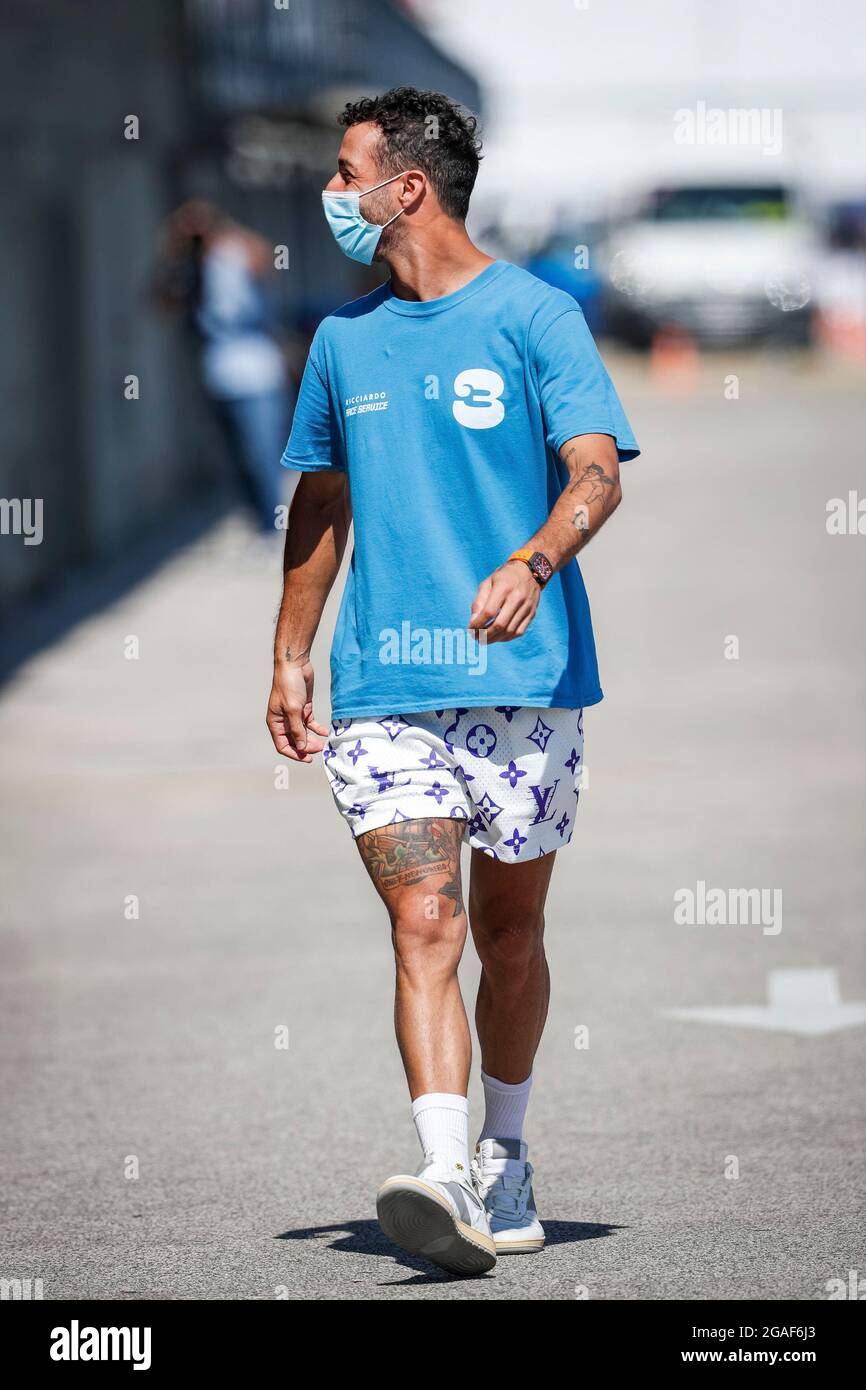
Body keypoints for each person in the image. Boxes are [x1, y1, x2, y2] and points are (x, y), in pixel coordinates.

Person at [266, 87, 639, 1276]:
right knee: (424, 918)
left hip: (525, 679)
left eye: (345, 172)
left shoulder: (535, 317)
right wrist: (288, 651)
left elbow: (595, 471)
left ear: (405, 187)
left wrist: (533, 560)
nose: (332, 194)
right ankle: (438, 1169)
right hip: (383, 687)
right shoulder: (342, 341)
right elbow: (320, 503)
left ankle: (506, 1151)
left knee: (510, 931)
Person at [154, 201, 293, 535]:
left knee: (264, 454)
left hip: (258, 375)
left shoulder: (238, 251)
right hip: (218, 375)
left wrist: (221, 228)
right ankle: (260, 523)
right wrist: (178, 245)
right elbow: (161, 301)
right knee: (238, 458)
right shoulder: (190, 267)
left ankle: (276, 527)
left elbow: (266, 259)